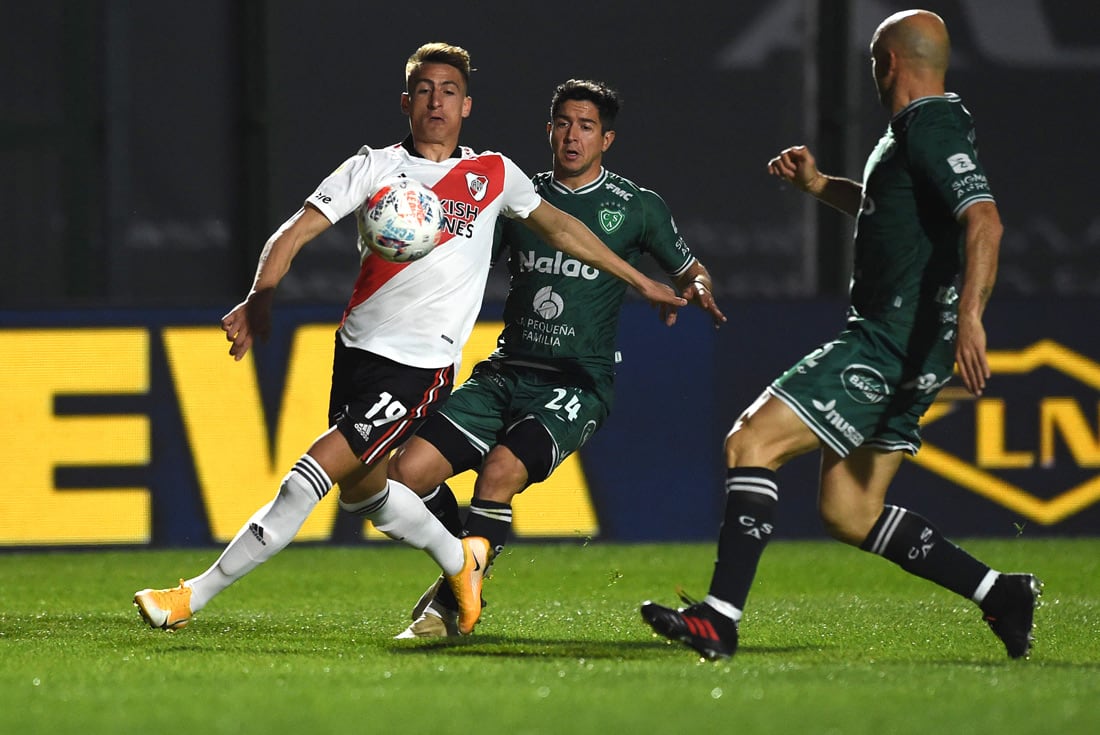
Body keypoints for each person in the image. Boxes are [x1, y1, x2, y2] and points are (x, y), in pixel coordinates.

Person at [133, 43, 686, 636]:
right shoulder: (372, 168)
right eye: (424, 89)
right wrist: (259, 295)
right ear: (406, 101)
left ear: (467, 105)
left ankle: (191, 597)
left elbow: (565, 229)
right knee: (366, 497)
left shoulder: (493, 176)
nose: (436, 101)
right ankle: (461, 561)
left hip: (416, 370)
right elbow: (292, 234)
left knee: (307, 478)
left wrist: (641, 281)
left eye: (449, 90)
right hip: (356, 355)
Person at [640, 9, 1041, 661]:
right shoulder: (923, 130)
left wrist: (972, 315)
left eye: (873, 63)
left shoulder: (932, 125)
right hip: (915, 351)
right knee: (850, 509)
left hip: (887, 343)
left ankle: (719, 617)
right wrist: (821, 186)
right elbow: (894, 213)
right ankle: (1000, 590)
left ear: (888, 63)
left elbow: (985, 222)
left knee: (751, 441)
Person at [386, 79, 727, 638]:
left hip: (576, 381)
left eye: (586, 126)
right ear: (548, 130)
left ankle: (450, 606)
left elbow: (688, 267)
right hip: (505, 371)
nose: (572, 135)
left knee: (499, 472)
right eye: (563, 123)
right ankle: (462, 569)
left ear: (607, 139)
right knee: (405, 475)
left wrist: (698, 285)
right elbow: (464, 259)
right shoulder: (519, 196)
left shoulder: (636, 208)